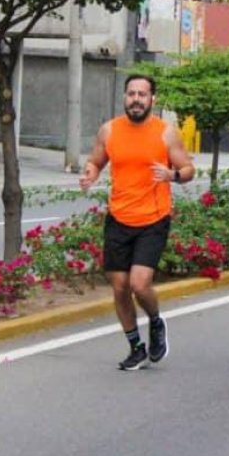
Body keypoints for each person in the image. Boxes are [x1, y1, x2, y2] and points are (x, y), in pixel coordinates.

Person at [79, 74, 195, 370]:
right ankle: (136, 347)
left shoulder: (165, 133)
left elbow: (188, 169)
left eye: (142, 94)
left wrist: (172, 175)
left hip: (153, 218)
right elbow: (96, 161)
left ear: (152, 99)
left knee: (139, 284)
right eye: (131, 94)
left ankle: (156, 322)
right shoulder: (109, 130)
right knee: (119, 287)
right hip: (119, 217)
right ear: (124, 98)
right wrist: (90, 173)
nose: (136, 99)